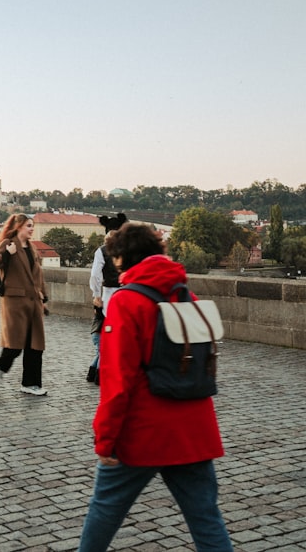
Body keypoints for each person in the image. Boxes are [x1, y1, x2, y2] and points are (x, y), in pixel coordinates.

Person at [76, 223, 231, 551]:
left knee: (105, 509)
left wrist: (105, 439)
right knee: (206, 518)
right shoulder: (188, 296)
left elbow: (117, 381)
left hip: (143, 433)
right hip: (194, 431)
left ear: (121, 260)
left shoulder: (125, 302)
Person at [0, 214, 50, 396]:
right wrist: (8, 254)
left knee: (35, 345)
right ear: (19, 226)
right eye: (28, 226)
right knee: (16, 343)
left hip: (33, 302)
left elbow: (38, 275)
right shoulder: (9, 243)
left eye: (32, 226)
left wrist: (44, 298)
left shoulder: (31, 247)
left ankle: (31, 384)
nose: (31, 229)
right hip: (15, 302)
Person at [87, 213, 129, 384]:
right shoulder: (128, 250)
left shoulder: (101, 251)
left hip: (108, 292)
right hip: (124, 291)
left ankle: (93, 372)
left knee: (105, 331)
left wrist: (96, 294)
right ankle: (99, 374)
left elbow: (95, 275)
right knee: (113, 336)